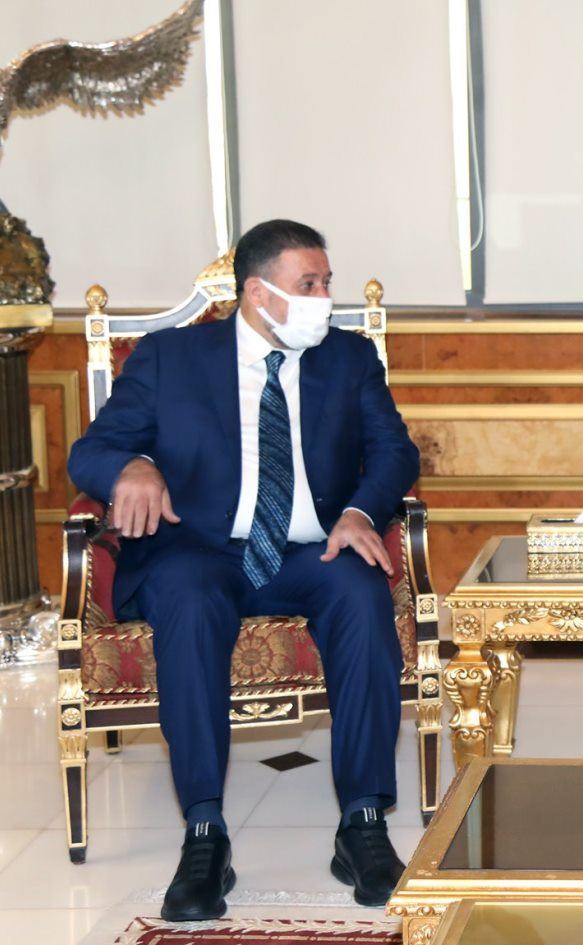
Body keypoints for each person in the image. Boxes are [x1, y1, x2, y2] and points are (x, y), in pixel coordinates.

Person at [68, 220, 420, 920]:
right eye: (308, 284)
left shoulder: (348, 358)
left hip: (311, 549)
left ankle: (362, 824)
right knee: (189, 599)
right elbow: (91, 451)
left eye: (327, 282)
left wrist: (359, 510)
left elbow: (394, 452)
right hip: (199, 549)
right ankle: (205, 833)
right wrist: (131, 466)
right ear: (258, 293)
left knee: (361, 592)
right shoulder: (170, 358)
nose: (325, 298)